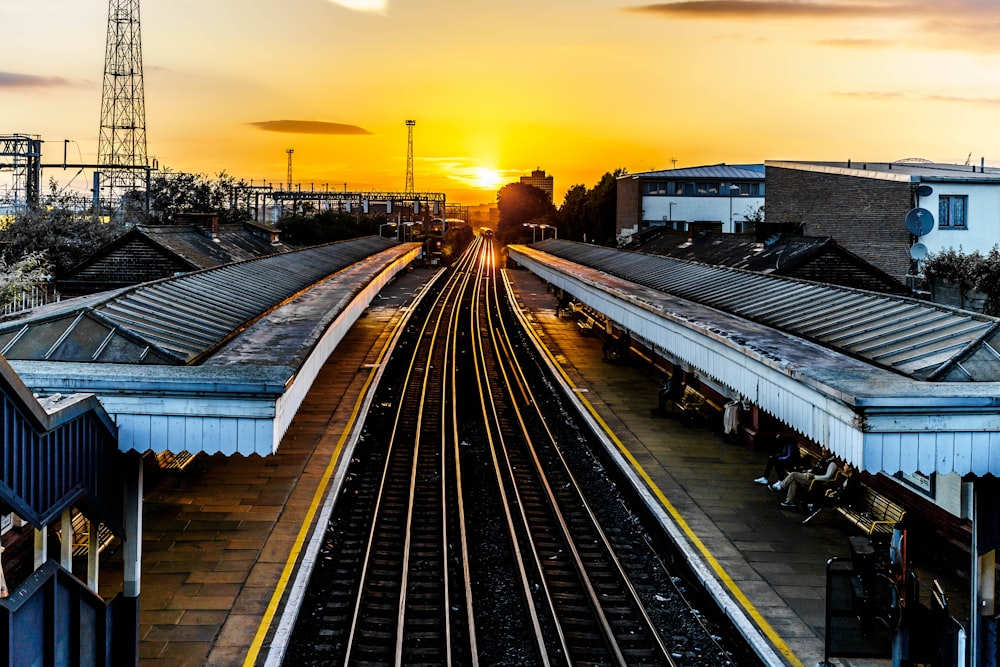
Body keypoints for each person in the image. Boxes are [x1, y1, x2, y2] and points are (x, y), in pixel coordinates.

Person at [771, 447, 838, 508]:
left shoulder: (832, 464)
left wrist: (814, 476)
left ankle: (781, 486)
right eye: (822, 452)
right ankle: (789, 501)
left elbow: (827, 477)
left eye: (825, 452)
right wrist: (808, 471)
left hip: (815, 480)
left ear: (830, 452)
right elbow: (816, 469)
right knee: (794, 480)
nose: (823, 454)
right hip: (809, 475)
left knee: (793, 474)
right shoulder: (824, 460)